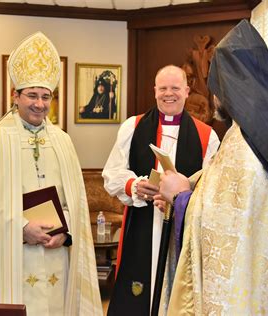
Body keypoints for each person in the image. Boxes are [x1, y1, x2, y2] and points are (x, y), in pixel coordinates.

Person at [0, 32, 102, 316]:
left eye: (45, 96)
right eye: (32, 95)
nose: (39, 103)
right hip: (12, 258)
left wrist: (67, 234)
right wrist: (21, 228)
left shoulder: (62, 141)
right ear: (15, 95)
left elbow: (75, 203)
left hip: (56, 256)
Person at [155, 20, 268, 315]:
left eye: (215, 88)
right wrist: (194, 183)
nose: (213, 98)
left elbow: (222, 229)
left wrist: (181, 197)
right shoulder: (262, 131)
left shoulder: (241, 144)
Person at [102, 64, 220, 315]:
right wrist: (134, 185)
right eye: (163, 88)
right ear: (154, 90)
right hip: (142, 221)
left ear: (187, 91)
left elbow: (212, 187)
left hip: (182, 226)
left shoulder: (207, 136)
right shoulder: (132, 127)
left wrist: (181, 198)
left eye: (175, 88)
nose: (169, 93)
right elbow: (111, 173)